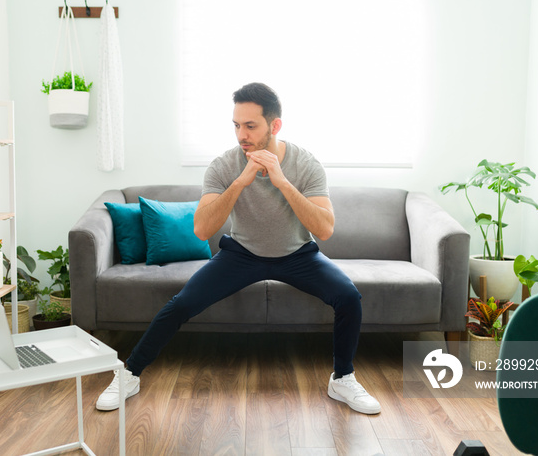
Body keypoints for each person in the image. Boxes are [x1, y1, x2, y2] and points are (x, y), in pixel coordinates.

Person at [96, 82, 380, 415]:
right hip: (241, 254)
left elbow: (325, 228)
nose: (241, 134)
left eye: (250, 125)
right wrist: (241, 181)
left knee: (348, 296)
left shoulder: (306, 164)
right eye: (236, 125)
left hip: (298, 254)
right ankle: (129, 374)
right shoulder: (223, 165)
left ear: (274, 126)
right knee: (182, 303)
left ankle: (342, 379)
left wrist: (282, 181)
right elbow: (202, 227)